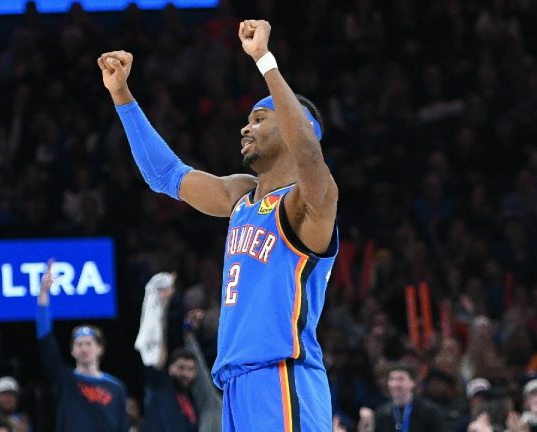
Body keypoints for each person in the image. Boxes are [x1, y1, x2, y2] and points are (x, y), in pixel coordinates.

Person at [98, 18, 338, 431]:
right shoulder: (240, 197)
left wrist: (264, 60)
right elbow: (166, 176)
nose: (246, 126)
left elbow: (308, 154)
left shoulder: (308, 204)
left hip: (282, 377)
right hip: (234, 384)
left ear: (296, 124)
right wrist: (122, 96)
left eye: (260, 118)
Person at [37, 260, 128, 432]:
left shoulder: (116, 388)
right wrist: (43, 294)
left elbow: (122, 426)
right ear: (72, 351)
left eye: (89, 343)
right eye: (79, 344)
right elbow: (45, 340)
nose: (84, 348)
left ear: (100, 349)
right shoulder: (66, 380)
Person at [134, 272, 206, 432]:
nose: (185, 374)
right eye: (180, 368)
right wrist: (162, 304)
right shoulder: (160, 385)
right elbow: (156, 351)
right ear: (169, 368)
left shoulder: (191, 399)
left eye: (190, 369)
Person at [372, 364, 447, 432]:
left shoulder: (429, 411)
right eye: (392, 379)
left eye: (401, 379)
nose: (395, 384)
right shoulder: (381, 413)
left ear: (413, 383)